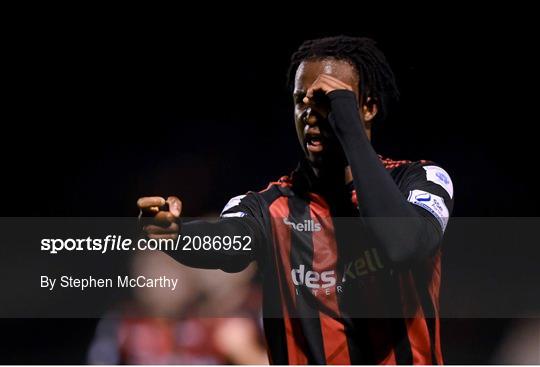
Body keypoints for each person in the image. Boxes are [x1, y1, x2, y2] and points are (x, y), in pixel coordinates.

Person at [137, 35, 454, 365]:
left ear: (367, 107)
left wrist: (346, 121)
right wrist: (177, 235)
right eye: (301, 101)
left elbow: (402, 246)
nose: (309, 114)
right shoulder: (267, 207)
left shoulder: (420, 180)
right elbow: (225, 244)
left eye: (326, 102)